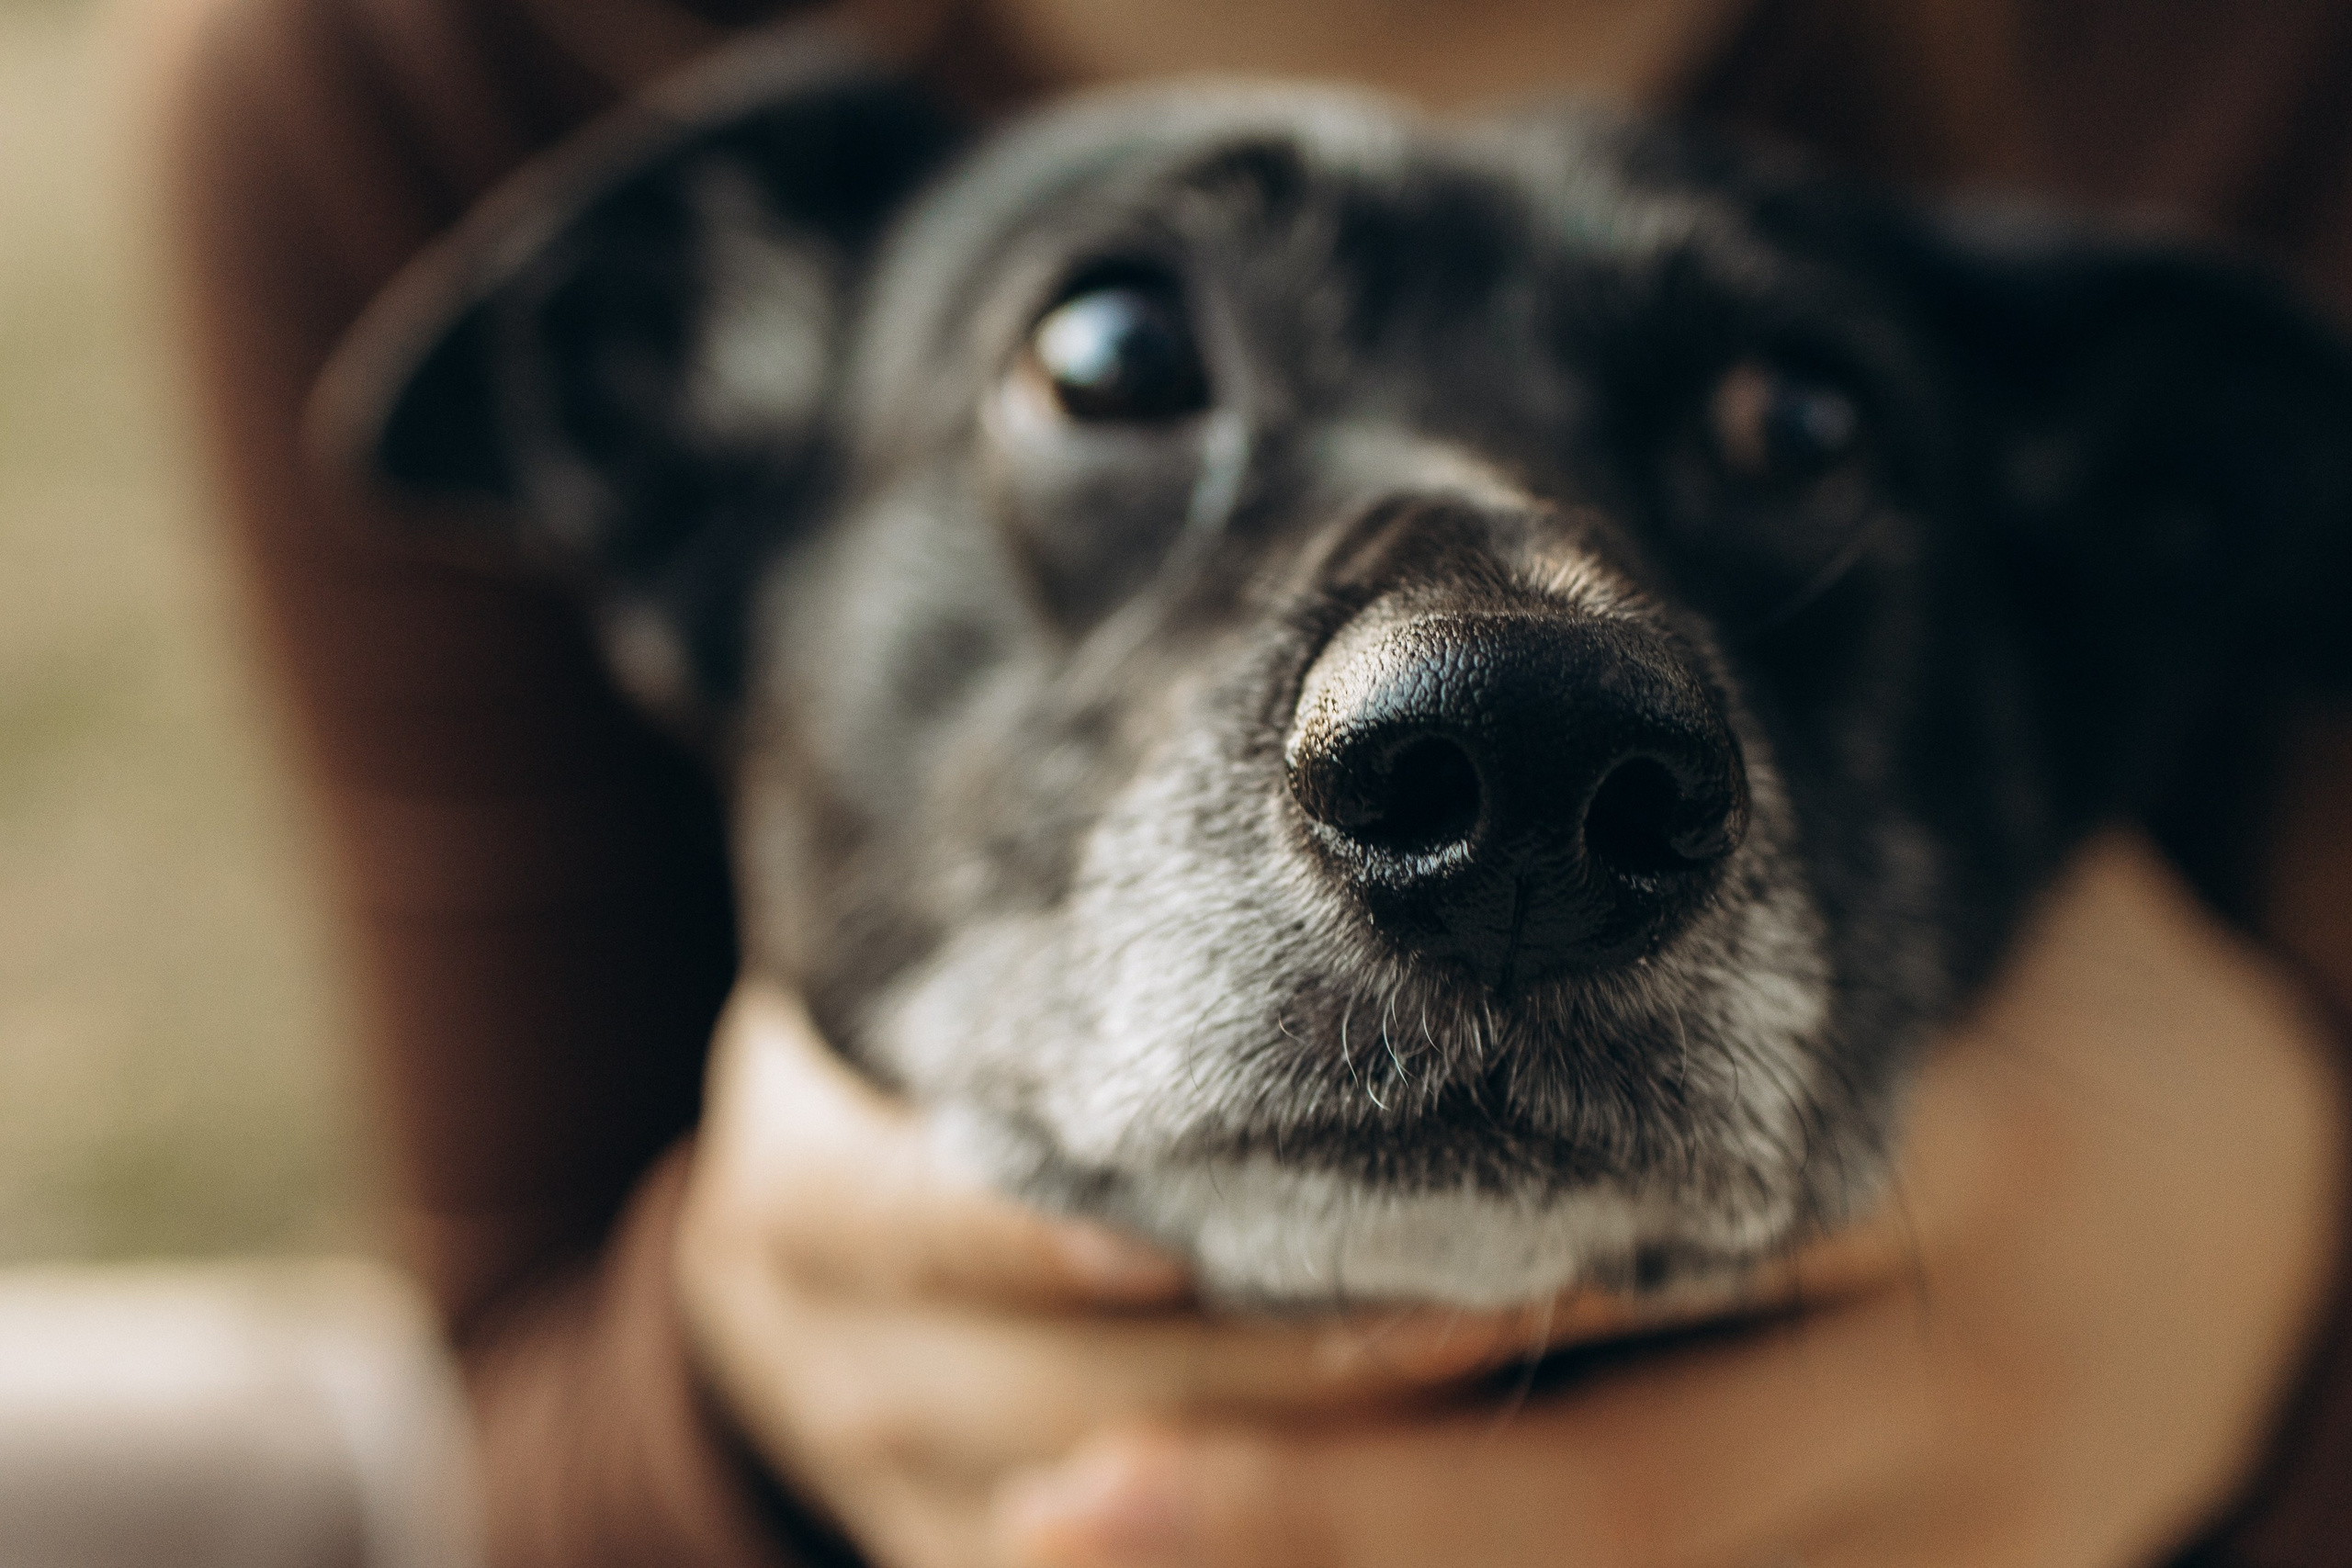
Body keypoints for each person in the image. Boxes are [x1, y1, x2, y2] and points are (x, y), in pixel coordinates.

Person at [155, 0, 2352, 1563]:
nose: (1514, 754)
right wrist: (729, 1382)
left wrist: (2287, 1362)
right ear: (703, 418)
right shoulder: (399, 65)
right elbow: (506, 1444)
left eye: (1786, 440)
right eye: (1116, 369)